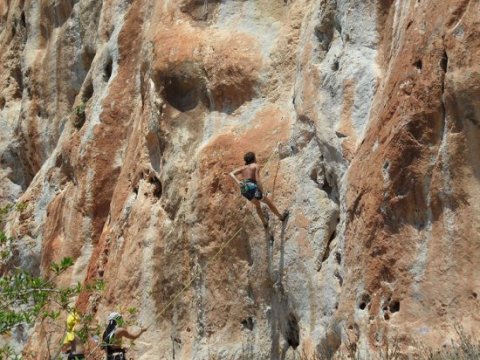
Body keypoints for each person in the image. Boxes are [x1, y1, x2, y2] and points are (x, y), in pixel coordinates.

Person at [229, 151, 288, 228]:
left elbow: (231, 174)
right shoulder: (256, 166)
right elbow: (257, 180)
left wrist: (238, 182)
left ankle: (264, 223)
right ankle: (281, 217)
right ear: (253, 158)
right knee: (268, 202)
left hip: (244, 188)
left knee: (257, 205)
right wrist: (262, 191)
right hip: (252, 186)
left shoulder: (243, 168)